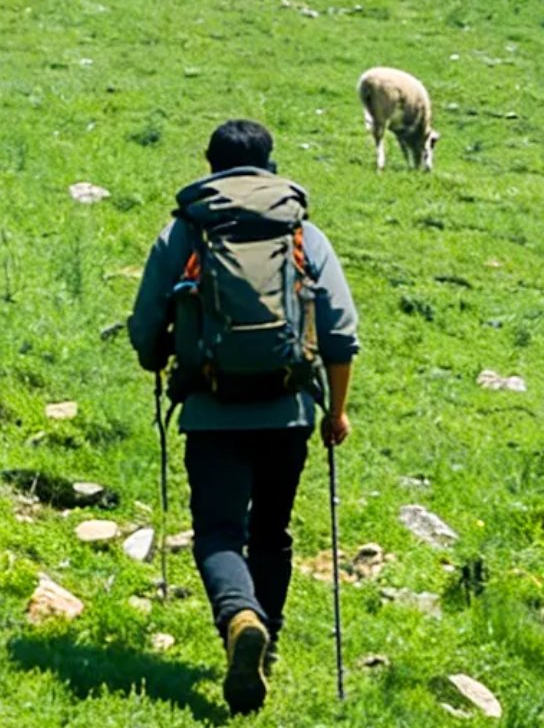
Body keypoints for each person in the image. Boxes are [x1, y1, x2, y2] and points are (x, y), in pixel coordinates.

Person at [127, 119, 359, 716]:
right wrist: (336, 412)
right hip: (287, 412)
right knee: (272, 533)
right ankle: (266, 643)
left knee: (218, 532)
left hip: (212, 410)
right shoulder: (301, 231)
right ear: (270, 163)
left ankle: (239, 619)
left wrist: (158, 357)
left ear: (210, 163)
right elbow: (339, 333)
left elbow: (146, 324)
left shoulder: (187, 230)